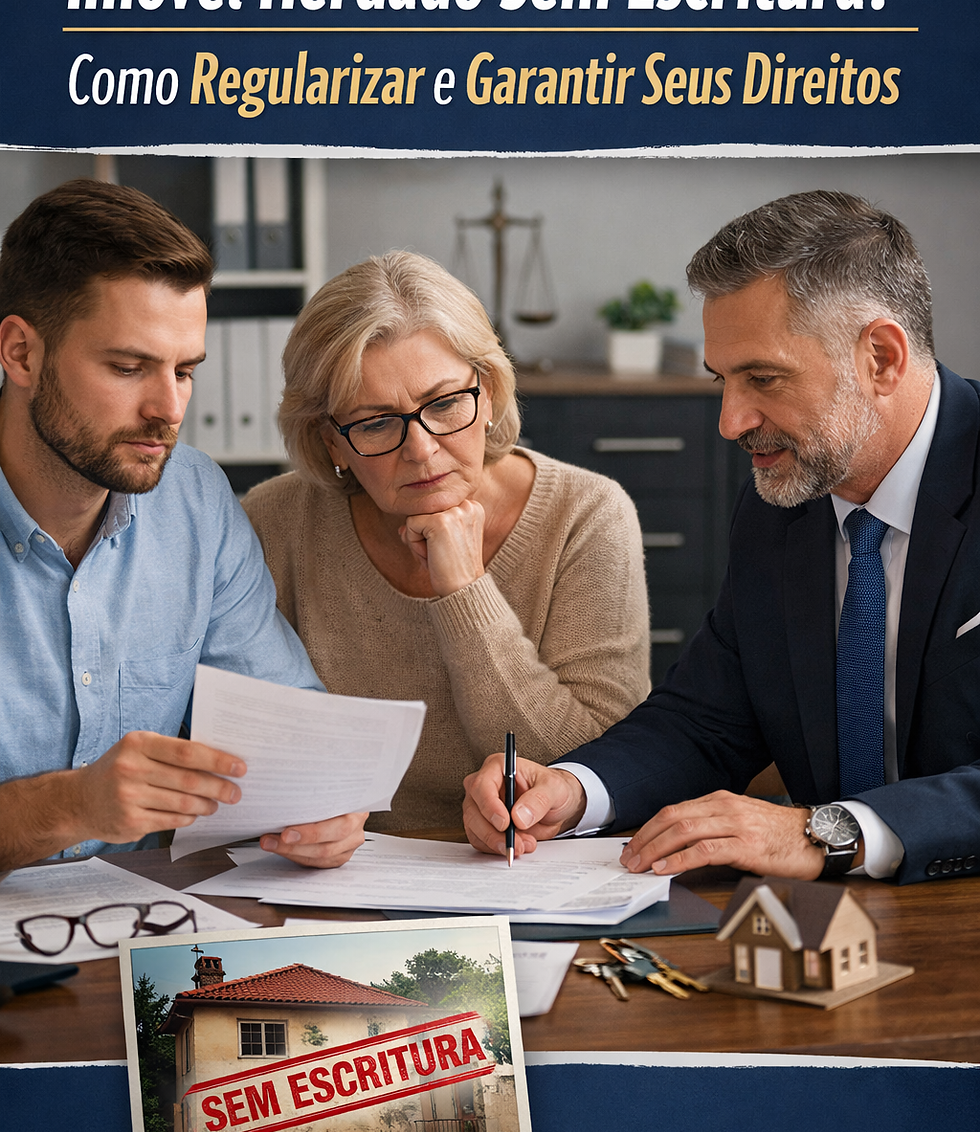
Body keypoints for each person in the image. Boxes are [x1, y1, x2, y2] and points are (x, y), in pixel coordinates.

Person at [464, 189, 980, 887]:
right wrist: (574, 790)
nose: (731, 422)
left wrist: (829, 831)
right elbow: (710, 719)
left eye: (763, 378)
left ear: (881, 359)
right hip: (823, 924)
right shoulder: (781, 504)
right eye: (723, 381)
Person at [0, 178, 366, 872]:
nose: (168, 410)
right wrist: (70, 805)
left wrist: (321, 800)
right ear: (21, 353)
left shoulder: (194, 498)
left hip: (145, 919)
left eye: (186, 371)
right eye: (128, 367)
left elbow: (285, 726)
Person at [243, 250, 650, 833]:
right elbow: (249, 749)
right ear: (331, 442)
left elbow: (593, 766)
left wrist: (465, 591)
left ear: (489, 393)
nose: (422, 449)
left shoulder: (586, 514)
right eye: (375, 422)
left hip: (531, 865)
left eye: (445, 403)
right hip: (333, 867)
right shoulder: (275, 521)